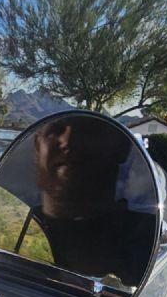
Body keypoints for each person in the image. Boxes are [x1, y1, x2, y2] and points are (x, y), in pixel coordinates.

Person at [14, 115, 156, 288]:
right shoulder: (18, 225)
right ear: (37, 147)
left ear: (121, 147)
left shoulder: (146, 239)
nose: (66, 141)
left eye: (86, 130)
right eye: (55, 130)